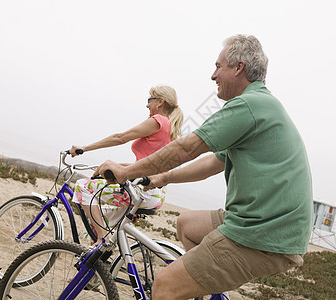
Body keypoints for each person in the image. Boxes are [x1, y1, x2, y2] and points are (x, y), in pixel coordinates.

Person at [94, 34, 313, 299]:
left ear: (238, 67)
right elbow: (213, 162)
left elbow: (187, 148)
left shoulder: (248, 105)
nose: (213, 75)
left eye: (218, 66)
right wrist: (162, 178)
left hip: (261, 231)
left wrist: (126, 172)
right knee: (187, 224)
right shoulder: (261, 105)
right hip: (262, 222)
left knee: (164, 287)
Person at [69, 85, 183, 243]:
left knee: (83, 186)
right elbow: (147, 164)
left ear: (160, 102)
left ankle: (103, 239)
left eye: (149, 100)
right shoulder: (170, 126)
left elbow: (120, 137)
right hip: (155, 192)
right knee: (98, 224)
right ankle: (101, 254)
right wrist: (118, 166)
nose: (147, 105)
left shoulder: (158, 121)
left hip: (141, 190)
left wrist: (85, 148)